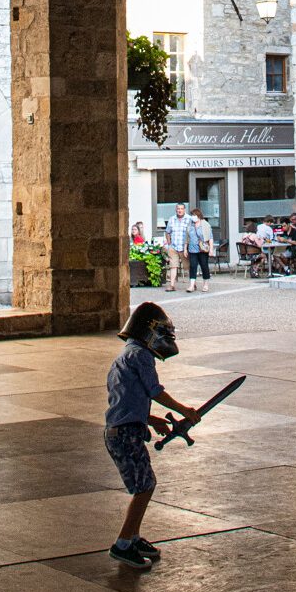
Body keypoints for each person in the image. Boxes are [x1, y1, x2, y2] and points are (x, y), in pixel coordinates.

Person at [104, 302, 201, 569]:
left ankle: (134, 537)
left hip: (120, 431)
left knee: (145, 484)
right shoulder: (141, 356)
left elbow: (125, 398)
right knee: (144, 487)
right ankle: (123, 543)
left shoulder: (126, 354)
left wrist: (149, 418)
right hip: (125, 434)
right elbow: (154, 390)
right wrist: (184, 410)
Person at [163, 202, 190, 292]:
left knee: (188, 267)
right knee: (173, 266)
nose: (180, 210)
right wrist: (169, 243)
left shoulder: (189, 219)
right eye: (178, 209)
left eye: (181, 209)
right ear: (176, 209)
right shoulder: (172, 219)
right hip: (173, 247)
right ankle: (172, 285)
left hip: (184, 248)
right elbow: (167, 232)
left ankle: (192, 285)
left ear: (184, 210)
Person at [186, 207, 214, 293]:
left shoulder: (205, 224)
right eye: (192, 215)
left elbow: (210, 238)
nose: (193, 217)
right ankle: (191, 285)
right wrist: (185, 249)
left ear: (198, 215)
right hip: (192, 249)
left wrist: (211, 249)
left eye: (194, 215)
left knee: (204, 266)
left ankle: (205, 284)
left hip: (203, 249)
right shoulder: (190, 225)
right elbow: (186, 238)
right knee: (193, 266)